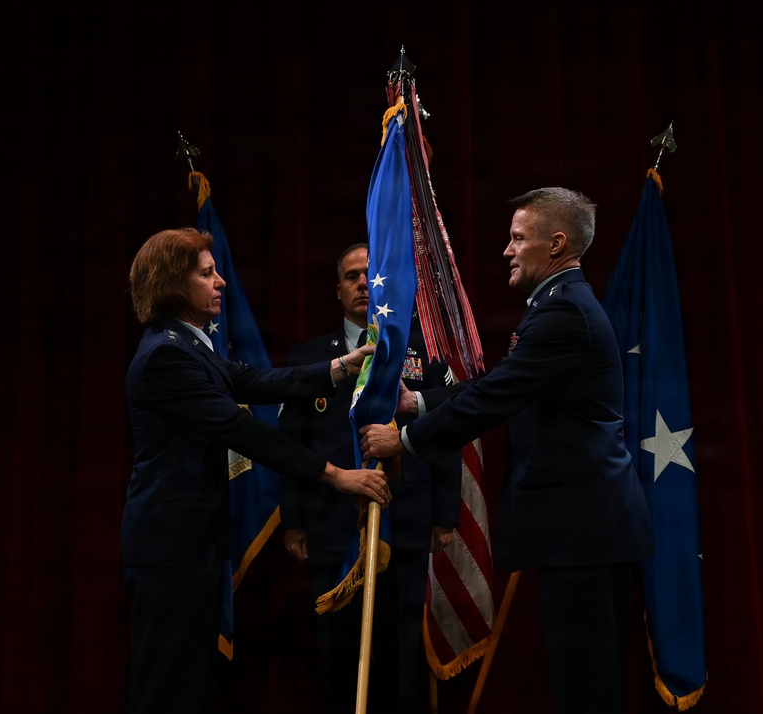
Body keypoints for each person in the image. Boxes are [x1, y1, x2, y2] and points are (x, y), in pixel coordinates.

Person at [359, 188, 655, 713]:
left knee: (587, 690)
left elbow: (495, 396)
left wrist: (403, 440)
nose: (507, 249)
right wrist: (418, 402)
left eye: (518, 238)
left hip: (584, 533)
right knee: (583, 685)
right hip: (585, 532)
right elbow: (502, 383)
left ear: (555, 244)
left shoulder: (564, 313)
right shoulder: (559, 305)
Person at [120, 227, 390, 714]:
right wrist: (334, 474)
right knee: (168, 686)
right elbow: (242, 430)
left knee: (191, 684)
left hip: (194, 542)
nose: (220, 281)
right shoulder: (166, 354)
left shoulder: (191, 345)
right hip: (171, 548)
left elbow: (253, 380)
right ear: (174, 284)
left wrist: (338, 369)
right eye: (207, 273)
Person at [277, 242, 461, 714]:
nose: (363, 283)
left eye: (370, 274)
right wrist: (293, 519)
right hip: (332, 523)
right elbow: (292, 444)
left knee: (402, 650)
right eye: (351, 276)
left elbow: (446, 432)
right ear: (337, 290)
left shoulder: (423, 351)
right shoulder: (309, 358)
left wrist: (444, 513)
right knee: (337, 651)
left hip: (406, 518)